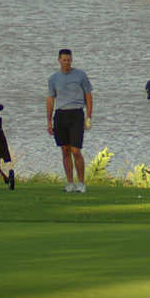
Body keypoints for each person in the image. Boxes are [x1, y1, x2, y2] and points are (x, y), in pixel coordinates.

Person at [47, 49, 93, 193]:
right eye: (64, 60)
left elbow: (88, 96)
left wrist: (88, 116)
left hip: (76, 114)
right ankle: (70, 183)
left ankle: (81, 183)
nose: (67, 62)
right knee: (65, 150)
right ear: (59, 60)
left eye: (69, 60)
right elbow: (50, 99)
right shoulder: (53, 78)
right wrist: (49, 121)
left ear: (71, 60)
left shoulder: (80, 75)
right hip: (60, 115)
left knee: (76, 150)